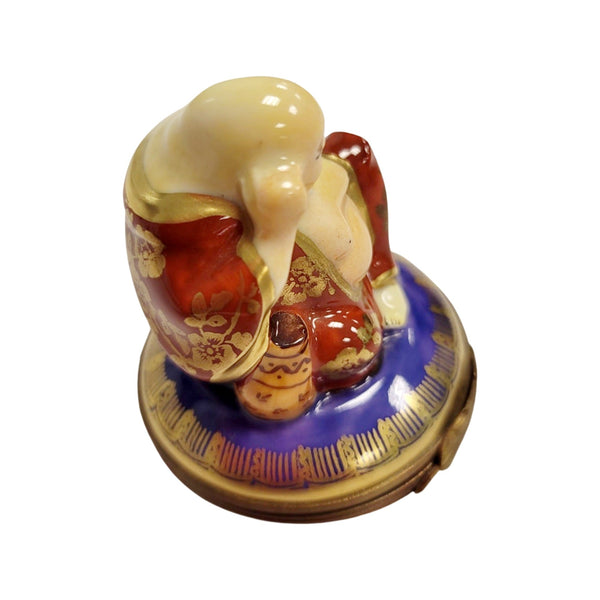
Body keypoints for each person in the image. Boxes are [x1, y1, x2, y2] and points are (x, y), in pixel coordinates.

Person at [125, 77, 408, 419]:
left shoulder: (224, 169)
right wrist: (275, 232)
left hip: (329, 262)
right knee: (352, 341)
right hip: (293, 308)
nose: (320, 161)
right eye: (313, 156)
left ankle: (381, 276)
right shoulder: (202, 230)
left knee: (354, 151)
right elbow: (205, 311)